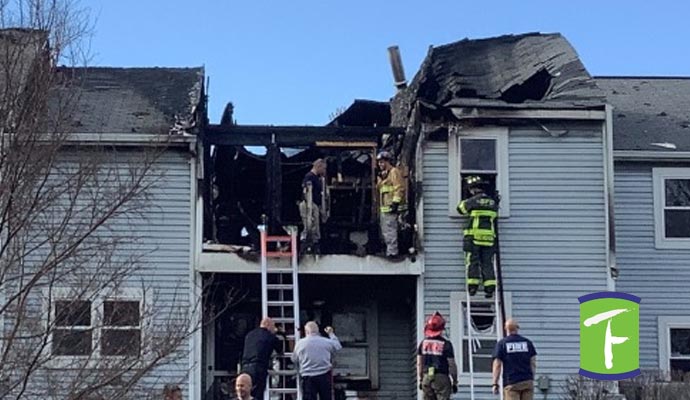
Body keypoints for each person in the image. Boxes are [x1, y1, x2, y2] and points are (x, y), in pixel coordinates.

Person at [456, 175, 498, 298]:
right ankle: (489, 288)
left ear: (472, 189)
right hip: (489, 240)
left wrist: (465, 199)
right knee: (487, 263)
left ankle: (473, 287)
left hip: (474, 238)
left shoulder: (473, 201)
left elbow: (460, 209)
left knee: (472, 262)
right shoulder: (492, 202)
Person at [291, 321, 342, 400]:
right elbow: (337, 347)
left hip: (307, 377)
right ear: (318, 331)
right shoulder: (326, 342)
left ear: (306, 331)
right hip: (324, 375)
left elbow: (294, 359)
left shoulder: (300, 344)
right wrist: (331, 334)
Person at [492, 319, 537, 400]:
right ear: (517, 328)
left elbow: (497, 365)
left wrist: (495, 383)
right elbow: (533, 362)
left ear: (506, 329)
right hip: (527, 381)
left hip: (511, 383)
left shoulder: (502, 344)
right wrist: (531, 377)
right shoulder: (528, 343)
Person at [417, 312, 458, 400]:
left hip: (427, 376)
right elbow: (451, 364)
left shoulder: (423, 343)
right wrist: (454, 381)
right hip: (441, 377)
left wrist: (421, 379)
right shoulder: (446, 344)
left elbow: (419, 364)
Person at [240, 317, 283, 400]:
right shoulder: (269, 336)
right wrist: (276, 333)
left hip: (245, 367)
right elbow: (280, 349)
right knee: (257, 394)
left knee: (245, 394)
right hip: (258, 367)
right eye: (273, 326)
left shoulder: (249, 334)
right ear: (268, 325)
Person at [376, 151, 406, 258]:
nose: (380, 164)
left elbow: (399, 188)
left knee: (391, 230)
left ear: (388, 161)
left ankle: (393, 253)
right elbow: (380, 189)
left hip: (391, 208)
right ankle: (390, 251)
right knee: (386, 231)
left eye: (382, 162)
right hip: (385, 209)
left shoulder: (394, 172)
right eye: (379, 162)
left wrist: (395, 203)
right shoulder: (385, 175)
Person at [299, 159, 327, 254]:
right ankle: (307, 243)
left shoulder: (316, 178)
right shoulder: (309, 177)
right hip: (309, 204)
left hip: (314, 204)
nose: (324, 171)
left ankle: (314, 242)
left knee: (315, 225)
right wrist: (309, 205)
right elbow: (306, 191)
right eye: (323, 168)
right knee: (309, 224)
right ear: (318, 166)